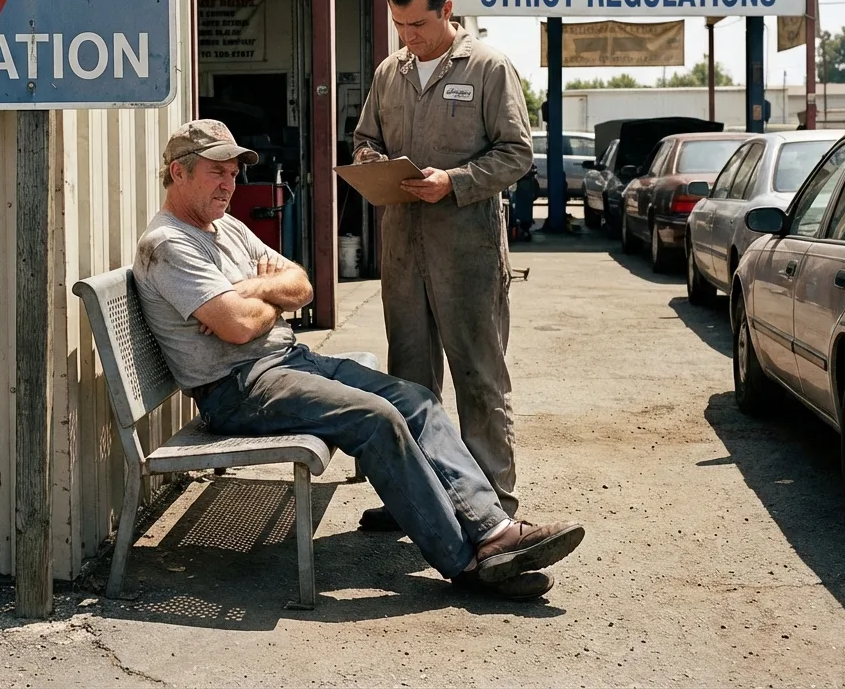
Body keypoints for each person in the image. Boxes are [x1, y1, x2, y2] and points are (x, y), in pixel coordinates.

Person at [133, 119, 585, 602]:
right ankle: (466, 562)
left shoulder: (227, 228)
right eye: (215, 172)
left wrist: (253, 291)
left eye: (233, 173)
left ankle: (493, 531)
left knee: (415, 399)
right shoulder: (169, 244)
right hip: (239, 387)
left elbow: (302, 284)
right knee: (375, 418)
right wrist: (267, 299)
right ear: (178, 173)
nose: (229, 184)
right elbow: (238, 327)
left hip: (287, 361)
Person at [353, 0, 533, 526]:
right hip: (404, 251)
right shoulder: (390, 73)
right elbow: (364, 139)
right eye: (400, 26)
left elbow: (516, 153)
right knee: (409, 379)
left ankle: (492, 509)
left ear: (447, 11)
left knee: (479, 377)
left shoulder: (488, 68)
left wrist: (452, 183)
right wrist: (372, 164)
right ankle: (416, 499)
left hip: (468, 254)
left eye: (419, 26)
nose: (409, 38)